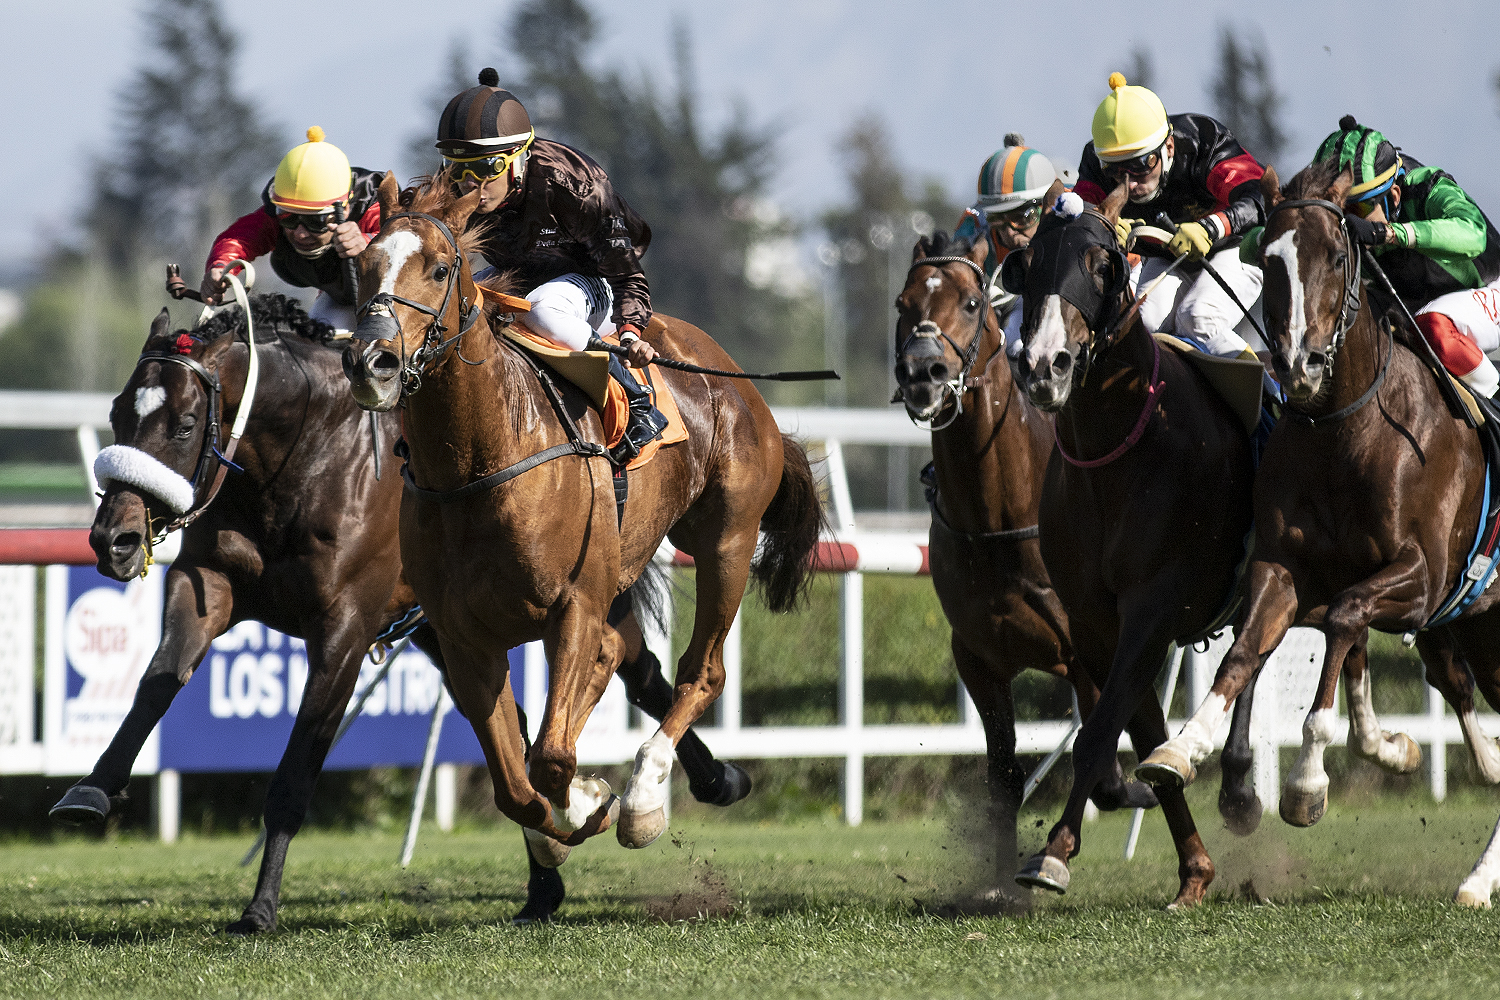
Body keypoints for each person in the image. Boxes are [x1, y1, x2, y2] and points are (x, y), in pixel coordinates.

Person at [435, 68, 667, 465]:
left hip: (595, 278)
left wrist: (630, 334)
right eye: (459, 169)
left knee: (543, 308)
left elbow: (626, 274)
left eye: (487, 168)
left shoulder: (575, 186)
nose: (472, 184)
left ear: (519, 160)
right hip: (520, 276)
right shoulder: (454, 187)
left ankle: (637, 400)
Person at [1074, 73, 1268, 359]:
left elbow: (1259, 196)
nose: (1129, 183)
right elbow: (1078, 215)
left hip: (1235, 248)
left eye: (1141, 164)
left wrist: (1211, 227)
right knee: (1142, 327)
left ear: (1169, 147)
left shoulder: (1204, 140)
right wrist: (1103, 225)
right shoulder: (1094, 162)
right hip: (1167, 256)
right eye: (1114, 170)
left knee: (1199, 318)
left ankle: (1269, 386)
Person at [1314, 116, 1500, 397]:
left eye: (1357, 210)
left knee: (1434, 325)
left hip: (1487, 286)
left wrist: (1390, 233)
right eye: (1338, 211)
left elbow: (1474, 234)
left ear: (1394, 196)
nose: (1348, 222)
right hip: (1413, 301)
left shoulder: (1430, 187)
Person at [202, 127, 380, 332]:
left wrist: (368, 243)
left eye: (315, 221)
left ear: (345, 209)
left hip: (395, 300)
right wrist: (220, 267)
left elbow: (409, 246)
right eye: (289, 217)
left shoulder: (377, 210)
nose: (300, 233)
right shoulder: (276, 215)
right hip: (340, 299)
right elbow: (239, 238)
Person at [953, 134, 1066, 344]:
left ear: (1049, 205)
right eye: (997, 220)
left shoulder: (1072, 215)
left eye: (1022, 218)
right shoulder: (972, 227)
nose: (1010, 233)